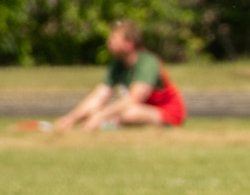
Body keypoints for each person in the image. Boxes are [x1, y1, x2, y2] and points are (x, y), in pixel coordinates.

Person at [53, 21, 187, 131]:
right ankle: (109, 125)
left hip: (167, 113)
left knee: (128, 113)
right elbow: (99, 95)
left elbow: (134, 98)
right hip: (138, 108)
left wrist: (100, 116)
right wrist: (71, 118)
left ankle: (109, 126)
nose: (108, 42)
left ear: (129, 44)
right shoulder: (117, 64)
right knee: (97, 111)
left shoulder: (148, 62)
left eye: (114, 38)